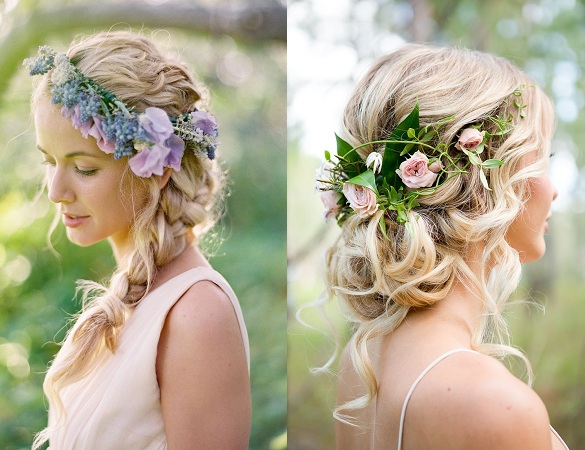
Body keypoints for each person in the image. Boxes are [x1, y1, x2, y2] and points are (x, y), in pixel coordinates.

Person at [315, 44, 568, 449]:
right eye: (544, 157)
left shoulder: (363, 360)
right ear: (486, 175)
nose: (553, 190)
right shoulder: (493, 406)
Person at [24, 31, 251, 449]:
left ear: (157, 165)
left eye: (84, 168)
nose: (55, 190)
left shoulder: (197, 315)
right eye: (49, 161)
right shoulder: (129, 298)